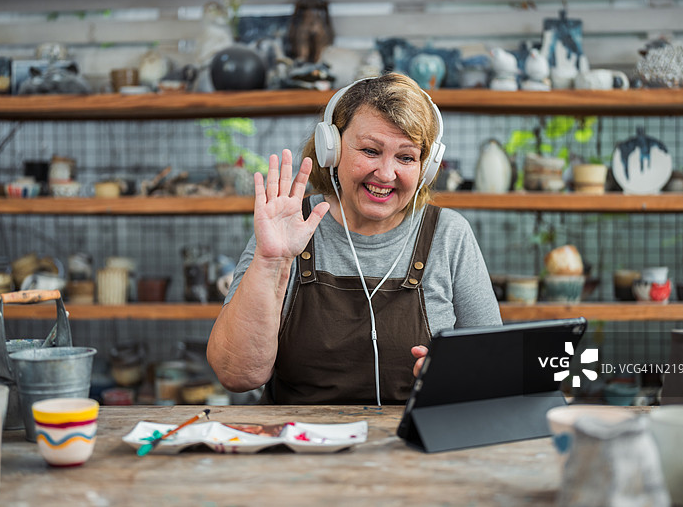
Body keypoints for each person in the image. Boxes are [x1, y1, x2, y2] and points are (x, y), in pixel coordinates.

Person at [207, 73, 501, 406]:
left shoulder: (449, 234)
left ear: (427, 167)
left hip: (410, 447)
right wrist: (271, 261)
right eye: (370, 150)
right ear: (331, 150)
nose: (386, 174)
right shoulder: (289, 226)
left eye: (406, 157)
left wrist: (454, 375)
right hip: (298, 446)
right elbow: (237, 375)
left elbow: (493, 369)